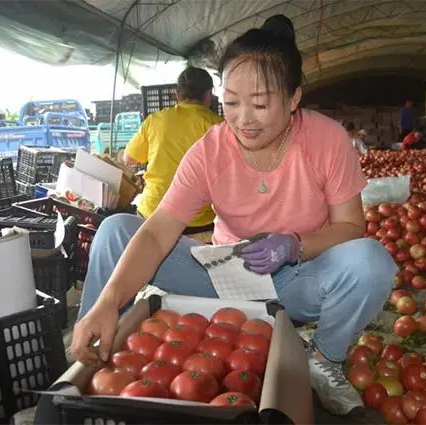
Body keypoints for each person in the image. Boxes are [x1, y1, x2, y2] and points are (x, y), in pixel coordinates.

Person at [71, 14, 397, 415]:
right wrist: (108, 300)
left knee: (372, 262)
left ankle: (325, 358)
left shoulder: (326, 139)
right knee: (116, 229)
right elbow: (158, 232)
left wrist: (296, 245)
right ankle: (90, 354)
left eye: (260, 104)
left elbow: (351, 227)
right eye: (231, 102)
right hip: (222, 278)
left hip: (297, 280)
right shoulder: (211, 150)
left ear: (294, 98)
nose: (243, 119)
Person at [123, 66, 223, 235]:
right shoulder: (220, 127)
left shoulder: (155, 120)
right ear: (208, 95)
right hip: (199, 224)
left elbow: (129, 158)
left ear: (177, 94)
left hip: (152, 215)